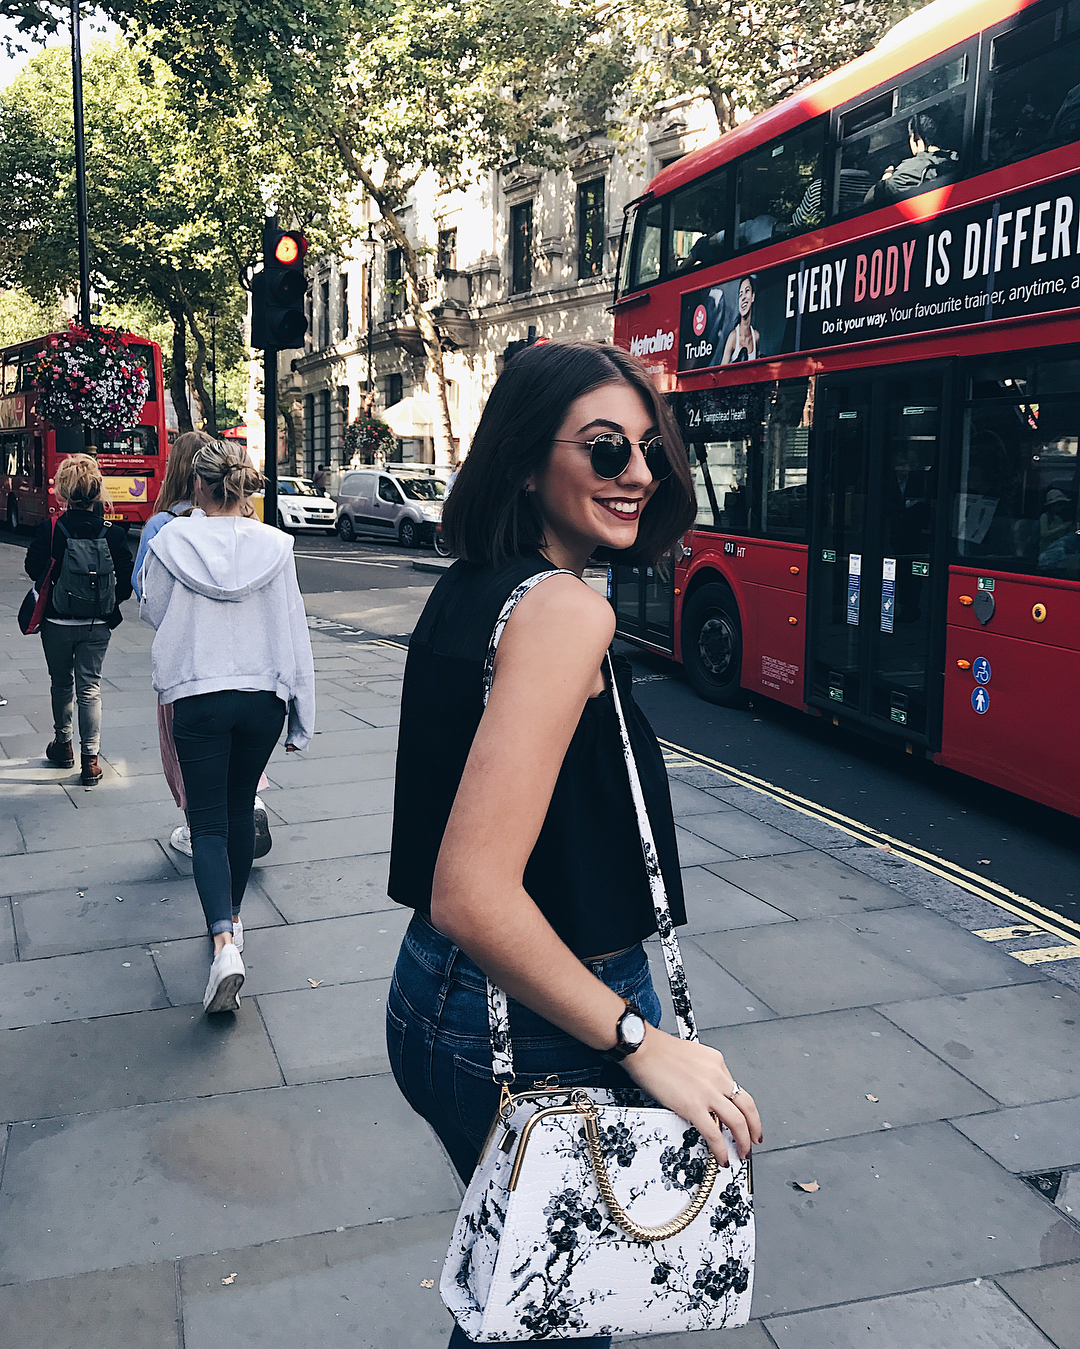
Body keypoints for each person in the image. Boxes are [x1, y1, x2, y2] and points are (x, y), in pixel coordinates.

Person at [386, 340, 762, 1349]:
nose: (638, 472)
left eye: (647, 449)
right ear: (522, 458)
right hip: (541, 1020)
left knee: (521, 1293)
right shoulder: (563, 610)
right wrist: (647, 1043)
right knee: (560, 1306)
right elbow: (473, 886)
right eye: (605, 450)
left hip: (431, 994)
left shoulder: (474, 586)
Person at [139, 440, 315, 1014]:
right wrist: (299, 714)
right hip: (262, 693)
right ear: (240, 487)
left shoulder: (170, 541)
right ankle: (234, 926)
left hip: (198, 691)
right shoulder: (277, 546)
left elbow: (153, 609)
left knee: (206, 821)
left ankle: (222, 942)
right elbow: (294, 629)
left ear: (196, 486)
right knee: (241, 810)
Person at [133, 431, 272, 861]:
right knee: (241, 748)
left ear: (190, 476)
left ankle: (200, 829)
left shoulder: (162, 527)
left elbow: (145, 593)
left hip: (189, 662)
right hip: (248, 662)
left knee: (188, 753)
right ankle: (251, 804)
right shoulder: (250, 526)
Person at [25, 454, 133, 786]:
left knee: (61, 683)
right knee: (90, 687)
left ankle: (63, 745)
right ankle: (91, 761)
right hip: (97, 623)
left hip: (57, 621)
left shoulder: (51, 529)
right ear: (98, 492)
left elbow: (33, 569)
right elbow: (127, 582)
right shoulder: (112, 533)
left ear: (65, 492)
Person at [866, 111, 957, 207]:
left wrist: (886, 178)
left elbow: (869, 200)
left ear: (915, 137)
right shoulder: (955, 159)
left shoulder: (907, 170)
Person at [721, 275, 761, 364]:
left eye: (747, 291)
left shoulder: (756, 336)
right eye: (740, 294)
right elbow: (721, 373)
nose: (743, 297)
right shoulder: (733, 337)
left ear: (753, 296)